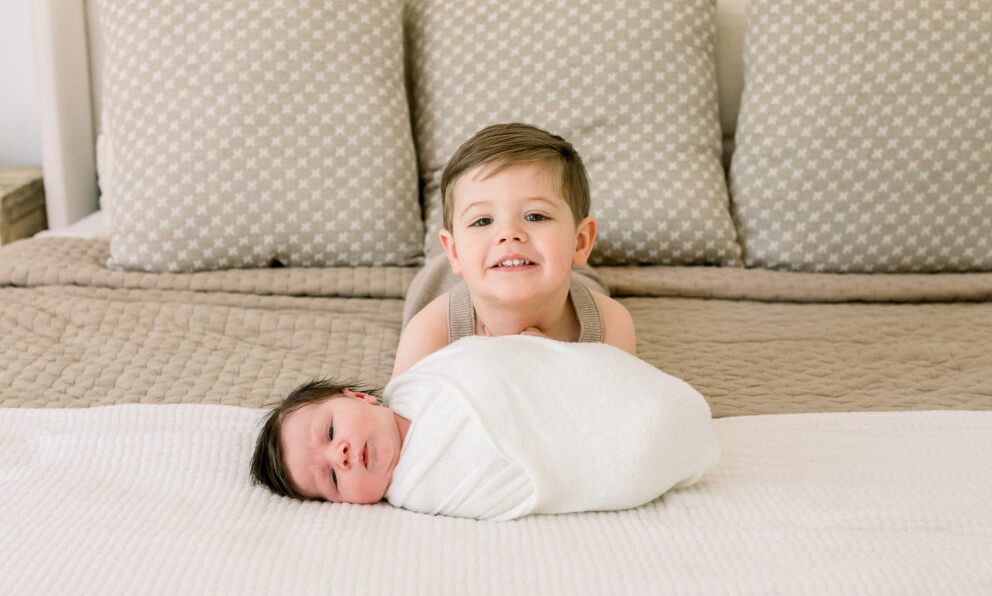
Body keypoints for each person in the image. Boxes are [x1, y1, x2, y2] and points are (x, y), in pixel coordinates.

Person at [251, 335, 720, 520]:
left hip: (583, 392)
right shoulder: (423, 492)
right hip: (601, 454)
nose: (342, 456)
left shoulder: (423, 378)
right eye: (332, 479)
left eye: (330, 433)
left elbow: (504, 362)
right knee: (644, 440)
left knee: (642, 401)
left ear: (357, 396)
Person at [392, 123, 636, 378]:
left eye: (535, 216)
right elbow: (404, 411)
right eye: (482, 221)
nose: (509, 233)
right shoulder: (432, 329)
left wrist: (551, 368)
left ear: (581, 242)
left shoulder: (610, 323)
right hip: (450, 276)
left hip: (546, 268)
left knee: (580, 276)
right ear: (453, 253)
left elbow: (616, 407)